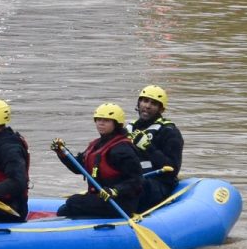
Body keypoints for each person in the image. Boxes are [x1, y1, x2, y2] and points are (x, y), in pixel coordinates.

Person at [51, 103, 143, 219]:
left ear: (117, 124)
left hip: (120, 203)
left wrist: (115, 190)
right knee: (63, 210)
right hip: (101, 199)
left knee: (73, 202)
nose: (101, 123)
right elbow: (77, 168)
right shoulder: (96, 145)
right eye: (98, 119)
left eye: (106, 120)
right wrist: (62, 153)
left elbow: (137, 181)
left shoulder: (122, 150)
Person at [128, 84, 184, 212]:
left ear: (161, 109)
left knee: (135, 186)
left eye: (153, 103)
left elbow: (172, 169)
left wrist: (148, 147)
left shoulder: (169, 132)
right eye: (145, 101)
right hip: (131, 181)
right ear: (138, 103)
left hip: (157, 184)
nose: (147, 106)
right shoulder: (128, 129)